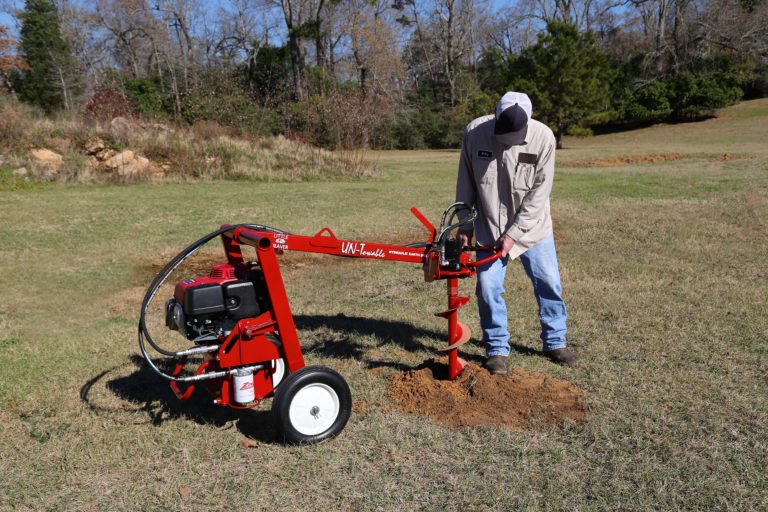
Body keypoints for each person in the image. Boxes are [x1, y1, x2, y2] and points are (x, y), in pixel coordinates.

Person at [455, 91, 576, 375]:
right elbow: (466, 181)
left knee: (549, 283)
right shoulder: (475, 133)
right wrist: (465, 223)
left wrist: (514, 234)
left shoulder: (544, 138)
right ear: (495, 116)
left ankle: (555, 341)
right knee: (487, 288)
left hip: (532, 228)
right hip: (488, 227)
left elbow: (538, 195)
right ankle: (497, 348)